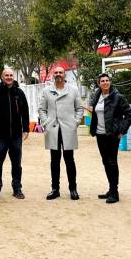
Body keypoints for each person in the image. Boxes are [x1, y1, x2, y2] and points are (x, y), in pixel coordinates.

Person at [38, 66, 84, 200]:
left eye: (61, 72)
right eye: (56, 72)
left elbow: (79, 108)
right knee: (54, 160)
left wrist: (75, 122)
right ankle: (55, 189)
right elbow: (42, 109)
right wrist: (46, 122)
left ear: (65, 75)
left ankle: (73, 189)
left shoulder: (73, 90)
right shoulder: (47, 91)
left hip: (68, 129)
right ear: (53, 75)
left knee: (70, 160)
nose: (58, 74)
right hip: (53, 129)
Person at [87, 73, 131, 204]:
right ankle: (111, 189)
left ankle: (115, 192)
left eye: (107, 80)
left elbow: (129, 114)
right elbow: (95, 112)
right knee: (105, 161)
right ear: (99, 83)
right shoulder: (96, 96)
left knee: (112, 161)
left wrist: (122, 130)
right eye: (102, 81)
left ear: (110, 82)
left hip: (112, 135)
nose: (105, 83)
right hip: (100, 134)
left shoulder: (118, 97)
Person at [0, 68, 30, 200]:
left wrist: (26, 129)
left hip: (16, 135)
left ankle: (17, 189)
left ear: (13, 77)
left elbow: (25, 112)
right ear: (2, 76)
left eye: (11, 75)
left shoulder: (19, 93)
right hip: (0, 136)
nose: (9, 77)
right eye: (7, 75)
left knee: (17, 164)